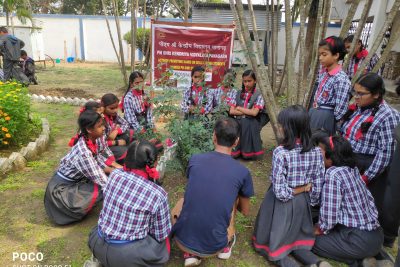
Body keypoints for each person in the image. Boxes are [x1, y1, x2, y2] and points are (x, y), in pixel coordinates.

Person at [171, 117, 254, 267]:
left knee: (183, 200)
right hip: (214, 246)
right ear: (236, 142)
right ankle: (225, 246)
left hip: (181, 240)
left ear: (213, 136)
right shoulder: (242, 172)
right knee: (232, 200)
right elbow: (246, 211)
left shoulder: (195, 159)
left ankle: (191, 254)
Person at [253, 105, 326, 267]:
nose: (278, 127)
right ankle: (316, 262)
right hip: (302, 203)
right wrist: (307, 194)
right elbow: (318, 183)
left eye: (281, 125)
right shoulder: (316, 152)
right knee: (296, 239)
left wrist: (298, 190)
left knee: (274, 243)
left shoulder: (281, 152)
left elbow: (280, 192)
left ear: (290, 129)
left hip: (280, 205)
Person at [87, 140, 171, 267]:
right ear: (154, 162)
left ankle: (100, 260)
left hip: (97, 242)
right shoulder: (158, 194)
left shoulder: (115, 174)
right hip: (126, 256)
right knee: (162, 245)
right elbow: (160, 234)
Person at [341, 72, 400, 248]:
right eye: (355, 92)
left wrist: (366, 177)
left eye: (361, 94)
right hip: (352, 161)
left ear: (376, 94)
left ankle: (373, 242)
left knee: (368, 206)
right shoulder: (360, 107)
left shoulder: (388, 116)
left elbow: (385, 153)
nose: (356, 97)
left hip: (369, 167)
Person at [311, 133, 383, 266]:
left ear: (331, 157)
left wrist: (316, 230)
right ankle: (369, 258)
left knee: (307, 240)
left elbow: (329, 219)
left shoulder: (333, 175)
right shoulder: (352, 169)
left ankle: (358, 262)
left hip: (358, 240)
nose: (317, 154)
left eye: (320, 151)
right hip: (376, 235)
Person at [44, 110, 121, 225]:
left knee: (112, 175)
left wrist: (116, 169)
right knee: (103, 186)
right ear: (89, 129)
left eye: (103, 124)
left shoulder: (93, 139)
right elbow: (101, 179)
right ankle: (70, 210)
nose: (104, 128)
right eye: (100, 126)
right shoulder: (83, 153)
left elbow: (98, 158)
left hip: (74, 181)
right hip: (60, 192)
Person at [309, 36, 351, 134]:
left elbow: (341, 108)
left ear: (336, 55)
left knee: (319, 144)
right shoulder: (324, 72)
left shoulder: (341, 79)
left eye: (324, 54)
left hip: (325, 117)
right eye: (319, 54)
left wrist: (329, 120)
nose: (320, 58)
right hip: (315, 111)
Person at [229, 69, 269, 160]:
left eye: (249, 81)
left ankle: (247, 152)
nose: (246, 84)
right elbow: (231, 111)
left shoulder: (259, 94)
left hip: (251, 121)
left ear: (255, 81)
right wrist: (247, 111)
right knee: (239, 122)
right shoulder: (237, 93)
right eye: (244, 81)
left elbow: (255, 113)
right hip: (238, 120)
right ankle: (237, 151)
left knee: (247, 122)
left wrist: (239, 108)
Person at [102, 93, 133, 163]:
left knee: (131, 133)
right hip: (104, 147)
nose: (115, 110)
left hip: (112, 139)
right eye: (112, 108)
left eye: (116, 107)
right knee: (126, 152)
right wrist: (116, 142)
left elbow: (125, 123)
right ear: (103, 107)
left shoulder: (113, 115)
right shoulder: (100, 120)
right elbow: (100, 143)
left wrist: (117, 131)